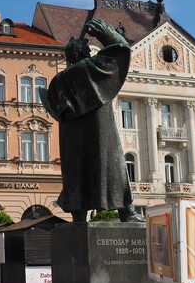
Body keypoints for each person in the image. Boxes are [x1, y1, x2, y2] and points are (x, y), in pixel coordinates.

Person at [39, 17, 143, 223]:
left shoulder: (58, 81)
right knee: (114, 166)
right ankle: (127, 212)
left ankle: (79, 216)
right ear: (85, 53)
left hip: (73, 138)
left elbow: (52, 107)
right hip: (100, 131)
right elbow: (121, 48)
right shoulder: (93, 68)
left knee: (76, 171)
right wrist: (105, 31)